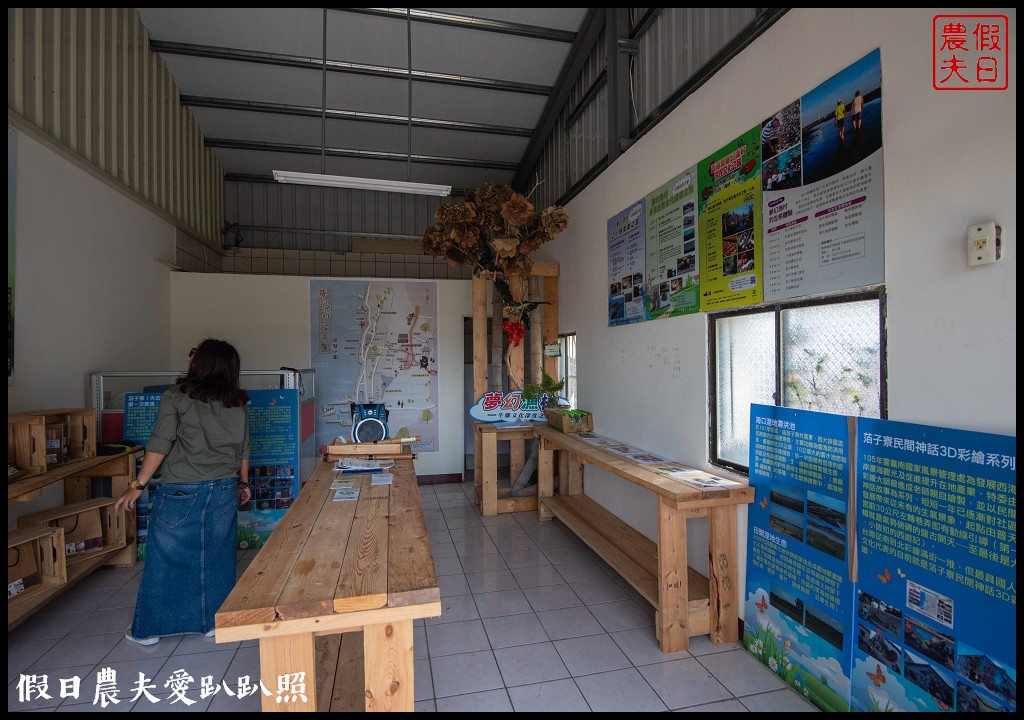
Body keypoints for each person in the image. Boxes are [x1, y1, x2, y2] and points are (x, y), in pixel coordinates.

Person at [116, 339, 251, 645]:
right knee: (216, 556)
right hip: (223, 488)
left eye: (194, 355)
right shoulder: (237, 403)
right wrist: (243, 483)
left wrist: (137, 485)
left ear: (201, 363)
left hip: (182, 489)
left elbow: (161, 443)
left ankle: (148, 629)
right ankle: (212, 623)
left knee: (166, 557)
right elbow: (244, 448)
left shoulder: (176, 397)